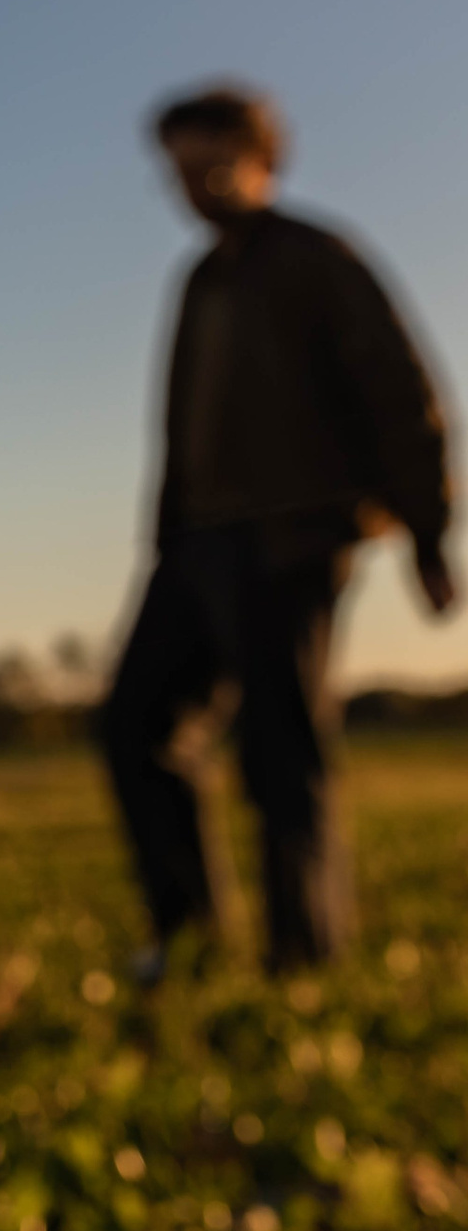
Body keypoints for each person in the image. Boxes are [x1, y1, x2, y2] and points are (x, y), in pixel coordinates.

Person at [99, 84, 454, 983]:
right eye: (174, 173)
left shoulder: (316, 257)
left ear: (262, 159)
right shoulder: (201, 278)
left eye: (207, 164)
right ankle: (189, 940)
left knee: (280, 749)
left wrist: (427, 528)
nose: (191, 187)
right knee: (134, 722)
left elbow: (401, 391)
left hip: (292, 540)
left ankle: (306, 959)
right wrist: (166, 535)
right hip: (195, 543)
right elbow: (181, 424)